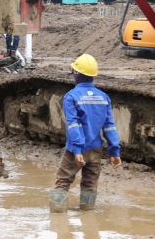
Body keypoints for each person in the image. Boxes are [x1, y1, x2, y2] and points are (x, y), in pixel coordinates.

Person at [49, 54, 122, 213]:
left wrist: (77, 149)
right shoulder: (104, 97)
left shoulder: (72, 97)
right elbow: (109, 126)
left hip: (76, 151)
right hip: (96, 150)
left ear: (76, 74)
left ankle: (57, 220)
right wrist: (114, 151)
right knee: (90, 184)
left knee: (62, 182)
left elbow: (73, 125)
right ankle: (88, 216)